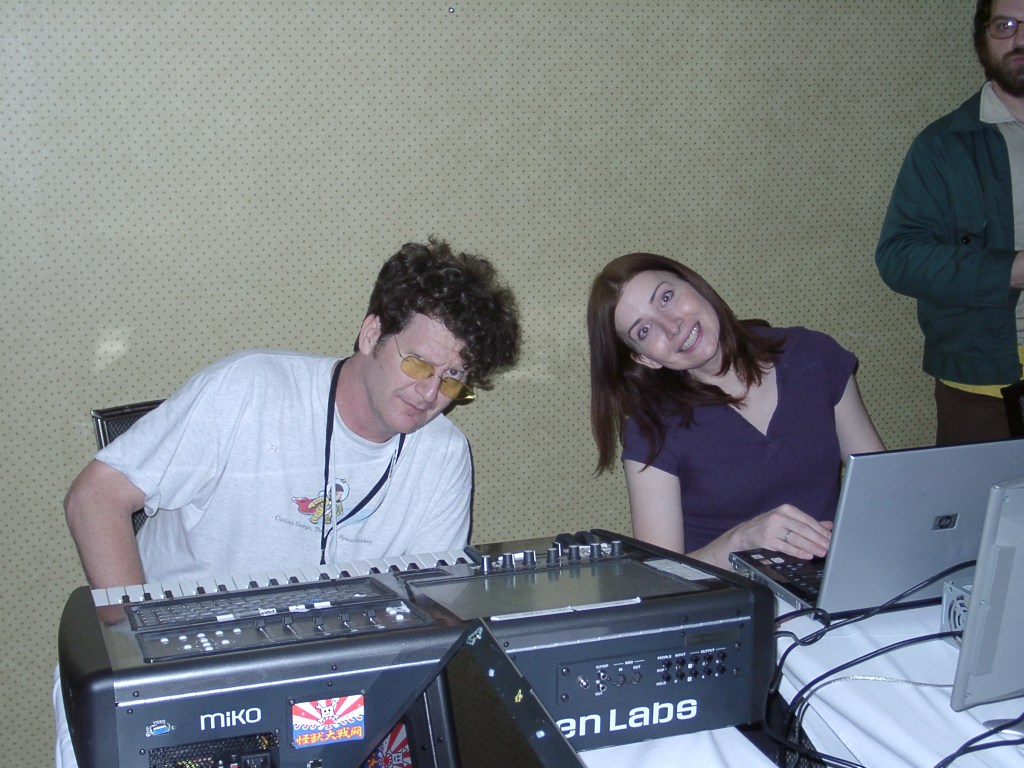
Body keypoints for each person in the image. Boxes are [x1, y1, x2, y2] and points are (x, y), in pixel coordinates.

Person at [54, 237, 520, 766]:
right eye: (417, 364)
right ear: (372, 333)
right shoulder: (249, 389)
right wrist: (139, 658)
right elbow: (94, 499)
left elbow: (430, 614)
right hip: (175, 677)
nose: (430, 393)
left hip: (317, 697)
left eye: (452, 379)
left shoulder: (444, 456)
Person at [587, 252, 884, 571]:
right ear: (645, 359)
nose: (672, 327)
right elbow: (661, 576)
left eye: (666, 298)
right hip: (732, 595)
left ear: (694, 285)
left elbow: (882, 485)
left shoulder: (813, 357)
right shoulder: (651, 429)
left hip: (839, 583)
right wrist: (739, 543)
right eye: (644, 331)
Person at [875, 0, 1024, 445]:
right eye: (1006, 25)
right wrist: (1011, 270)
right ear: (982, 38)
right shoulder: (943, 146)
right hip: (988, 392)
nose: (1020, 38)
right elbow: (899, 258)